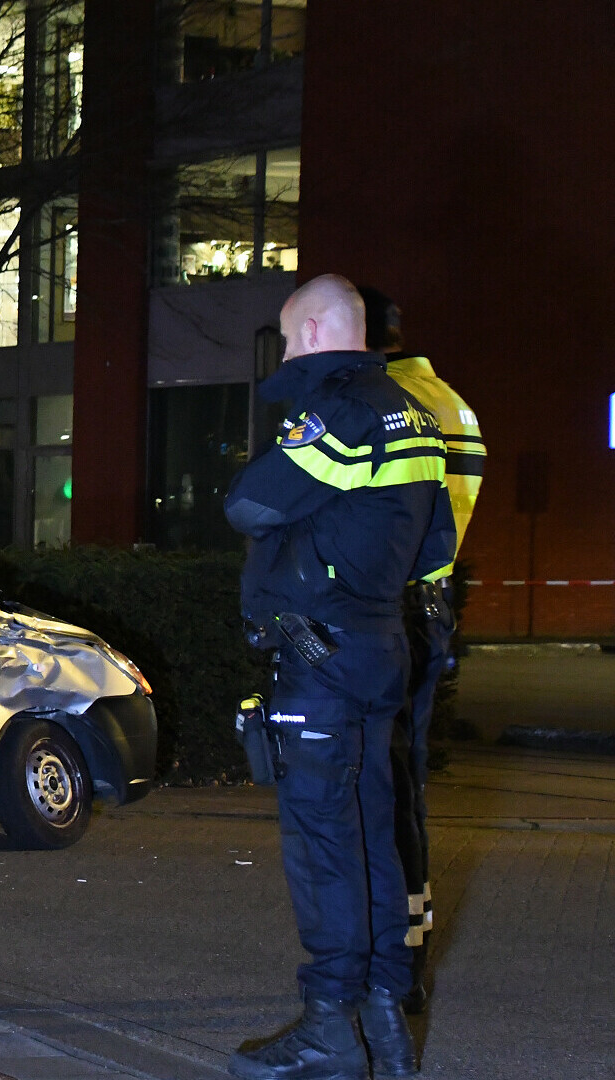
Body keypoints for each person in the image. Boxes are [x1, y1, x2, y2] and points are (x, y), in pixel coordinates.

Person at [224, 274, 456, 1080]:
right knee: (374, 837)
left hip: (319, 658)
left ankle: (329, 1027)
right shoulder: (419, 417)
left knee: (325, 846)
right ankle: (385, 1021)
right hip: (382, 647)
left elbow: (249, 505)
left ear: (320, 330)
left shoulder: (340, 414)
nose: (287, 354)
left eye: (292, 339)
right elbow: (434, 550)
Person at [359, 286, 486, 1014]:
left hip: (390, 611)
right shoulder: (446, 399)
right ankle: (405, 950)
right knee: (403, 788)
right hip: (428, 607)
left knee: (379, 789)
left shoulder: (386, 406)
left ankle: (390, 968)